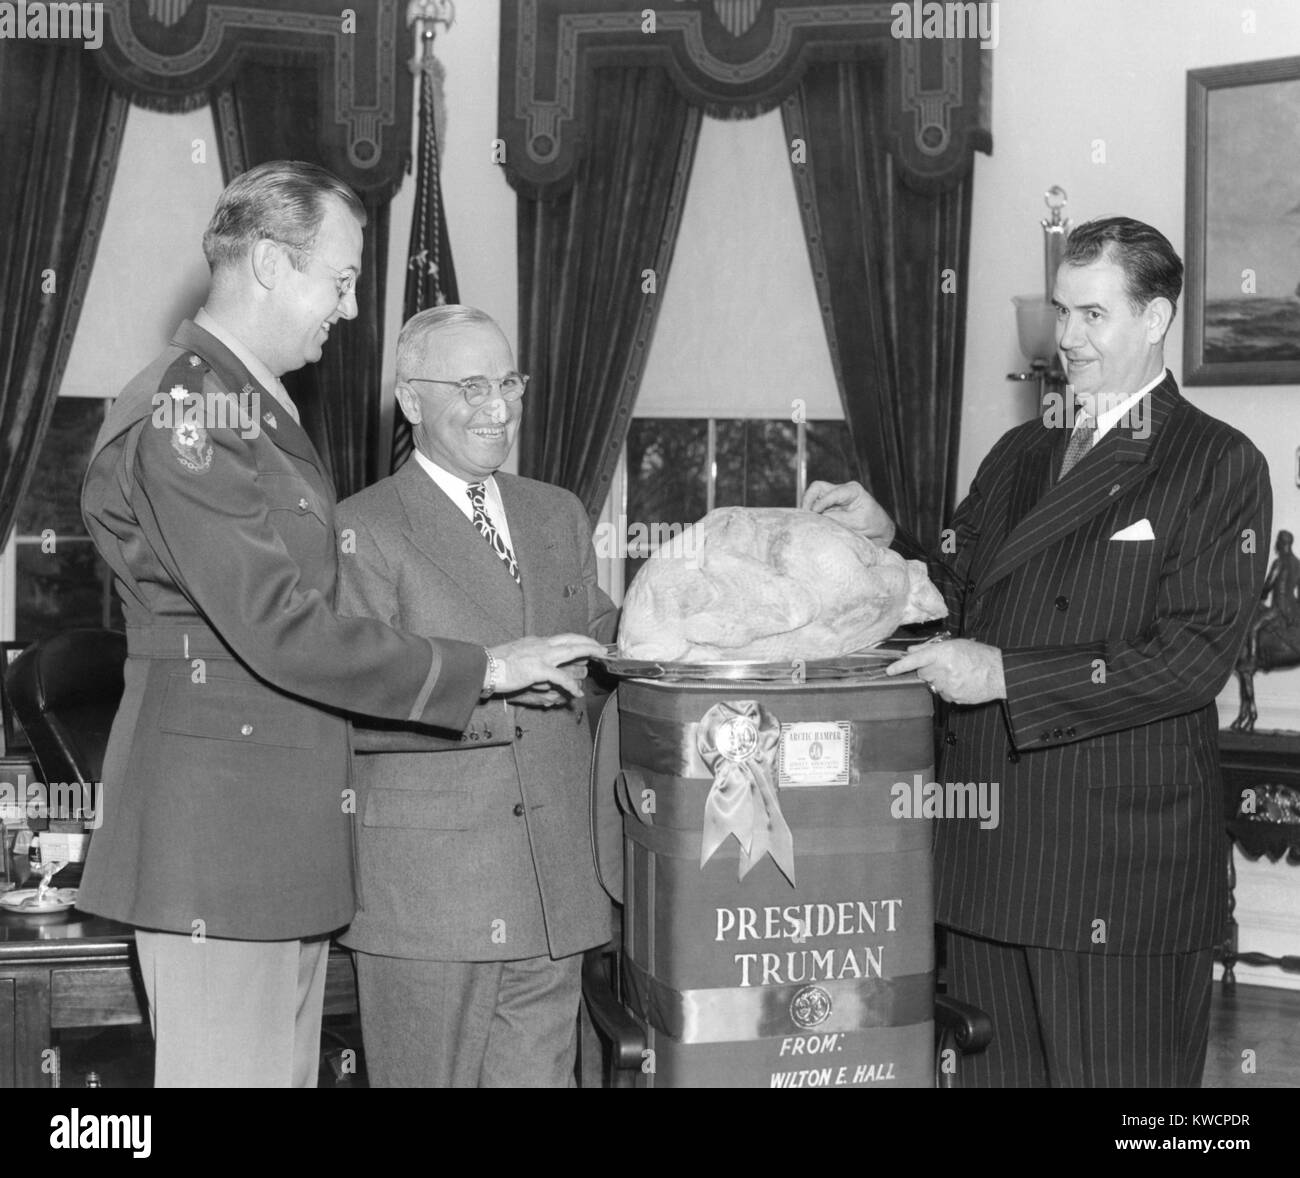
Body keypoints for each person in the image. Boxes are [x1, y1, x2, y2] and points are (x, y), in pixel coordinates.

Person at [79, 162, 602, 1087]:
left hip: (279, 841)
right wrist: (485, 666)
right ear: (274, 265)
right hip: (219, 845)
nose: (352, 309)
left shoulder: (254, 407)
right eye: (343, 278)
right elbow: (282, 624)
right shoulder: (189, 409)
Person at [805, 216, 1271, 1087]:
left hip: (1116, 876)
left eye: (1092, 315)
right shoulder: (1022, 450)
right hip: (990, 862)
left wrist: (1006, 675)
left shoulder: (1217, 461)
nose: (1066, 341)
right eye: (1060, 313)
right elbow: (961, 582)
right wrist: (886, 537)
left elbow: (1190, 658)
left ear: (1156, 317)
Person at [335, 305, 619, 1087]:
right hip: (431, 904)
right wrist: (494, 686)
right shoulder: (362, 528)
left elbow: (605, 639)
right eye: (471, 385)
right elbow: (349, 710)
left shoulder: (555, 511)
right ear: (410, 400)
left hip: (553, 895)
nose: (499, 407)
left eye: (508, 381)